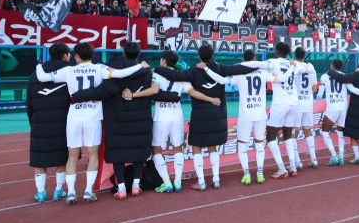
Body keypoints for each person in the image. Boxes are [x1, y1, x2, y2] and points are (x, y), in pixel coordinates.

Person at [35, 43, 150, 204]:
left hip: (74, 117)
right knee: (93, 154)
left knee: (72, 157)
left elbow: (41, 77)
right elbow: (121, 73)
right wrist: (139, 65)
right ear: (93, 54)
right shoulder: (99, 68)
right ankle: (88, 191)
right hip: (93, 117)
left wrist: (39, 65)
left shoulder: (68, 70)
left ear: (76, 56)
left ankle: (71, 192)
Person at [69, 42, 169, 199]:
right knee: (139, 150)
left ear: (123, 53)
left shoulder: (113, 71)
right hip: (140, 118)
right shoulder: (146, 72)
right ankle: (136, 185)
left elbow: (103, 91)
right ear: (138, 54)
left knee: (118, 153)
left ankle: (121, 188)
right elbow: (154, 92)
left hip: (116, 118)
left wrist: (76, 97)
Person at [152, 44, 258, 190]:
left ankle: (201, 181)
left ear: (200, 56)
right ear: (213, 55)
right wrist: (263, 66)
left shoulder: (193, 71)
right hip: (218, 113)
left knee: (197, 147)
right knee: (212, 146)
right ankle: (216, 179)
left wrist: (156, 69)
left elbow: (174, 75)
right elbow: (240, 68)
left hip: (200, 114)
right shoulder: (221, 68)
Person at [205, 49, 297, 184]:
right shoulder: (263, 71)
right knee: (259, 144)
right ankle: (260, 174)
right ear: (255, 60)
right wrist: (292, 67)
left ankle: (247, 174)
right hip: (260, 114)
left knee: (242, 145)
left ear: (243, 60)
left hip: (245, 115)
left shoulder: (239, 72)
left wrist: (206, 70)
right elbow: (282, 78)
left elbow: (222, 80)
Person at [132, 51, 218, 193]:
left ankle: (167, 182)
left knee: (156, 149)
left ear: (164, 61)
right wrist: (211, 99)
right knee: (177, 148)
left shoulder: (157, 74)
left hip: (161, 117)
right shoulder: (182, 76)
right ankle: (177, 181)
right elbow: (193, 93)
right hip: (177, 116)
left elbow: (154, 90)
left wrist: (133, 95)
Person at [25, 43, 72, 203]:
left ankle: (41, 193)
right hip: (64, 122)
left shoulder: (35, 74)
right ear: (65, 55)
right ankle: (58, 190)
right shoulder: (70, 72)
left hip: (40, 123)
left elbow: (29, 102)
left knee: (39, 158)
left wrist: (34, 122)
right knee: (63, 156)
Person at [316, 58, 359, 166]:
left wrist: (319, 100)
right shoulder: (345, 77)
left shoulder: (325, 76)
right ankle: (341, 157)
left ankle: (334, 155)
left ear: (332, 66)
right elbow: (353, 90)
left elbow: (319, 96)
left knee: (325, 132)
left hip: (332, 107)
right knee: (341, 132)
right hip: (343, 107)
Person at [266, 42, 301, 178]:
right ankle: (292, 166)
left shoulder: (273, 62)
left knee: (270, 136)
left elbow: (262, 67)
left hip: (280, 103)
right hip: (293, 103)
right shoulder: (294, 64)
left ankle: (281, 168)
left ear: (277, 52)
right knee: (288, 135)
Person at [292, 47, 318, 168]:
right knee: (307, 130)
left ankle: (298, 162)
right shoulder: (311, 69)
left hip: (296, 104)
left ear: (294, 56)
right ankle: (314, 159)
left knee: (291, 132)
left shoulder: (294, 67)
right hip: (308, 103)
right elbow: (314, 89)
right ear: (304, 56)